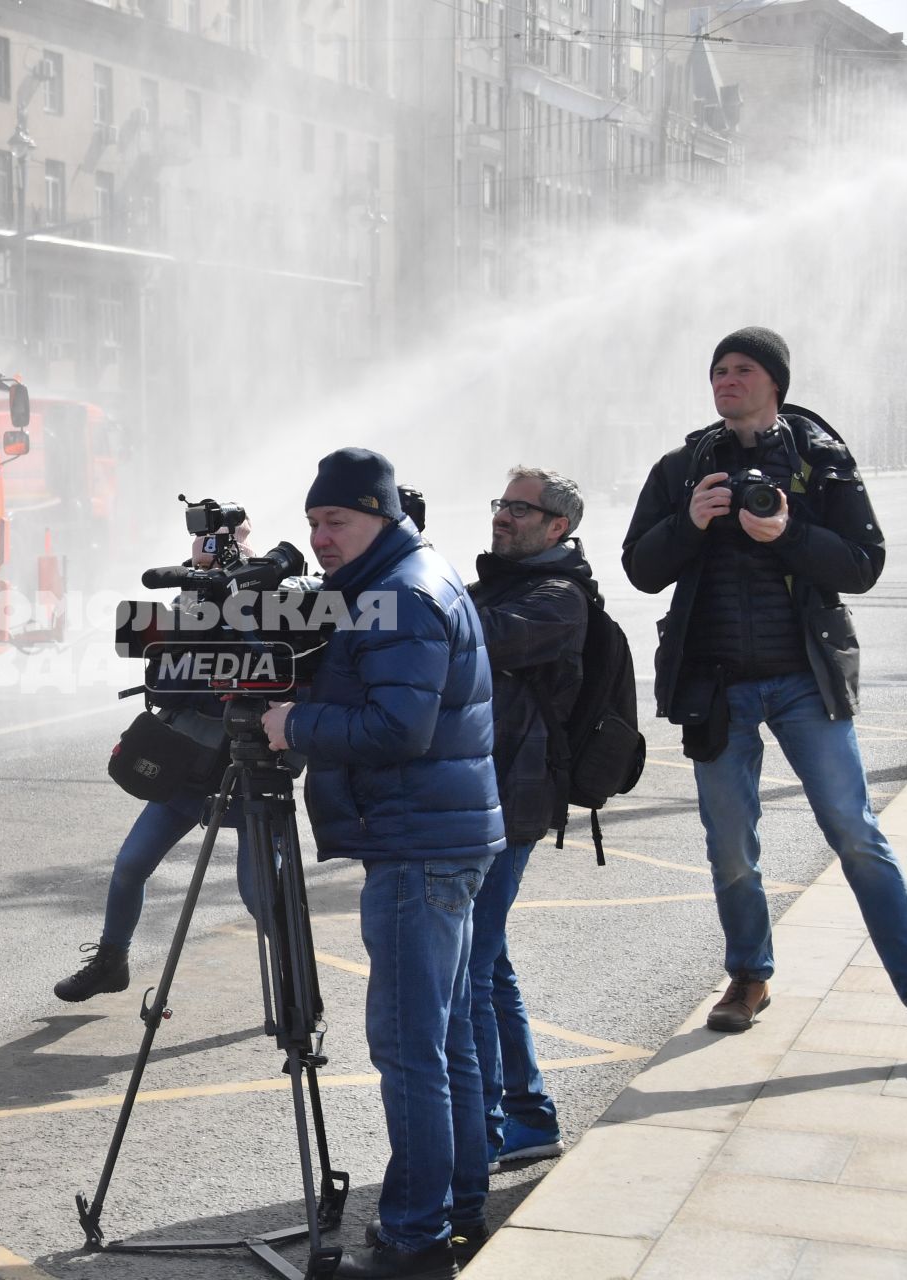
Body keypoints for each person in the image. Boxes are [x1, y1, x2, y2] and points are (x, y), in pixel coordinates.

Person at [622, 326, 907, 1060]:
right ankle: (748, 977)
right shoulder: (685, 468)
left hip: (804, 681)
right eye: (717, 369)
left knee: (857, 834)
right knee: (730, 849)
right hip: (717, 687)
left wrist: (785, 532)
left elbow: (863, 564)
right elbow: (640, 569)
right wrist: (689, 522)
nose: (726, 379)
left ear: (774, 381)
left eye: (742, 369)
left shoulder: (823, 462)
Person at [261, 448, 503, 1280]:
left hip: (417, 845)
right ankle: (459, 1209)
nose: (322, 538)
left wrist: (294, 729)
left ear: (381, 516)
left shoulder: (399, 595)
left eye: (337, 521)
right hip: (441, 835)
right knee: (448, 1040)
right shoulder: (402, 576)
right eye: (314, 523)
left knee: (409, 1049)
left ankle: (413, 1240)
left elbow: (399, 731)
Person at [54, 528, 259, 1002]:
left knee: (259, 896)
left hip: (250, 774)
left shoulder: (265, 608)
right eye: (195, 575)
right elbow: (163, 686)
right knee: (129, 866)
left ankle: (295, 989)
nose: (200, 586)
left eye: (210, 575)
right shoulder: (185, 612)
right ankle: (111, 962)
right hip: (187, 769)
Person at [468, 467, 594, 1170]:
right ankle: (529, 1116)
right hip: (488, 791)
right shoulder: (503, 586)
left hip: (511, 799)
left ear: (558, 527)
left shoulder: (557, 598)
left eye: (521, 508)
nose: (503, 516)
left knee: (476, 967)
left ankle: (484, 1131)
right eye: (501, 503)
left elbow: (476, 638)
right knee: (491, 962)